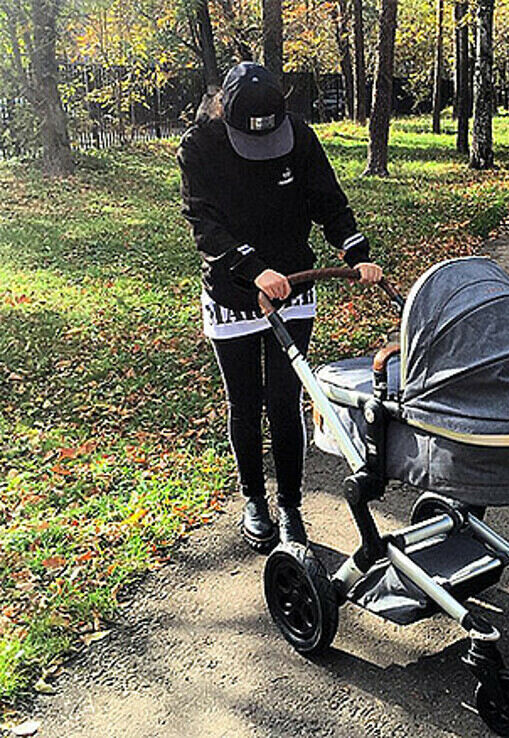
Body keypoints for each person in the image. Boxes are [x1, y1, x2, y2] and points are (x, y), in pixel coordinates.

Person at [177, 62, 382, 552]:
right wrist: (252, 271)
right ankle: (255, 499)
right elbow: (203, 222)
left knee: (286, 400)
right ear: (223, 110)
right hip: (232, 291)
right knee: (245, 402)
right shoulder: (200, 146)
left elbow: (328, 200)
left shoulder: (301, 138)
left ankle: (290, 504)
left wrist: (356, 253)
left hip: (292, 285)